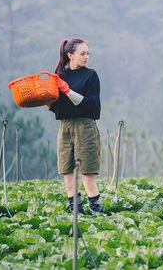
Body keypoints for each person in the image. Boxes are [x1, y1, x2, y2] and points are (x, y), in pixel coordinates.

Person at [49, 38, 103, 215]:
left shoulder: (91, 75)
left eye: (87, 53)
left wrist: (68, 91)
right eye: (82, 53)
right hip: (65, 128)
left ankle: (97, 212)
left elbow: (90, 104)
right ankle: (76, 214)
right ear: (70, 55)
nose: (86, 57)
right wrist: (45, 100)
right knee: (67, 172)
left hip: (85, 127)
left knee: (87, 173)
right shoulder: (60, 76)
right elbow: (57, 107)